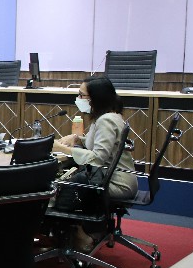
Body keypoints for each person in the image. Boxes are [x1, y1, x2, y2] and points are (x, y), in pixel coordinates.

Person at [51, 76, 137, 250]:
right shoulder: (110, 116)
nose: (78, 99)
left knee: (60, 188)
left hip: (116, 183)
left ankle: (76, 235)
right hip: (115, 177)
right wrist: (77, 139)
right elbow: (100, 146)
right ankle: (77, 234)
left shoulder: (106, 120)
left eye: (81, 95)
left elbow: (98, 158)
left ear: (96, 98)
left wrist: (63, 149)